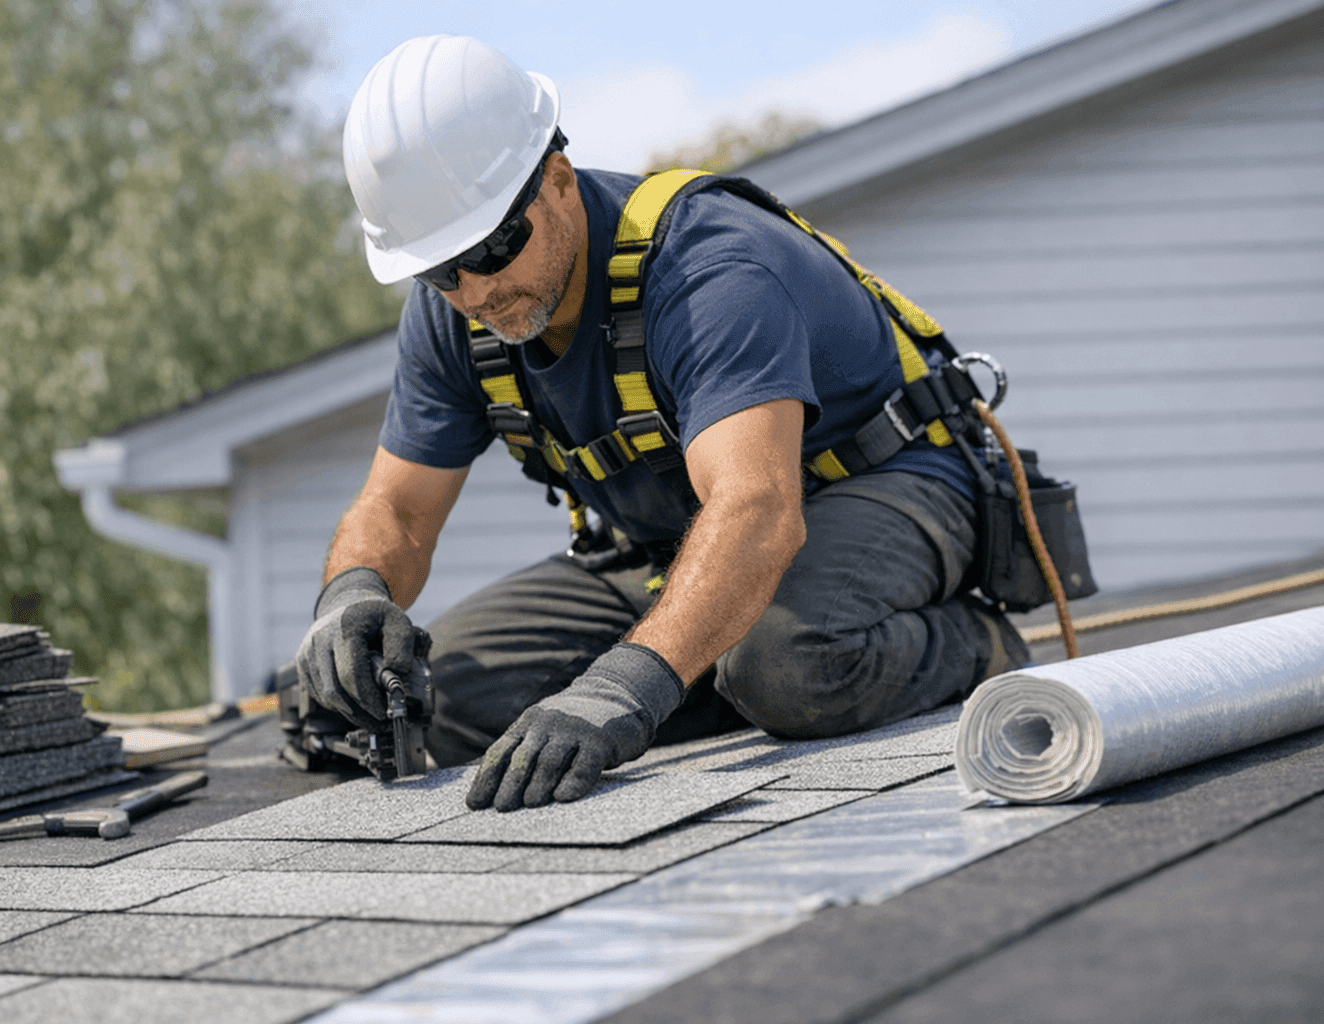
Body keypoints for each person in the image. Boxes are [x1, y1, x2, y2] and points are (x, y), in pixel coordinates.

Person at [295, 34, 1028, 813]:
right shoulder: (457, 315)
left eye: (494, 247)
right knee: (433, 695)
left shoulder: (707, 267)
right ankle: (715, 666)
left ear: (558, 180)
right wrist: (351, 597)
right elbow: (399, 509)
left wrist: (620, 693)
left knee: (785, 663)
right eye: (441, 270)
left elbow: (756, 510)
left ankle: (972, 648)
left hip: (877, 488)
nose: (475, 291)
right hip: (676, 542)